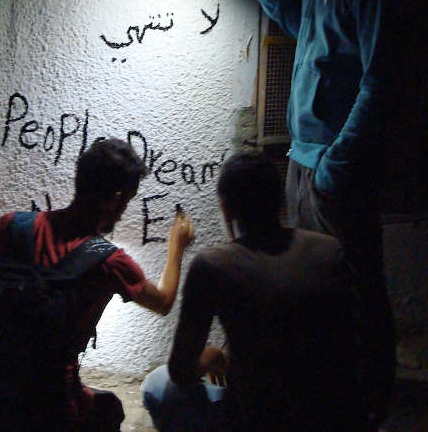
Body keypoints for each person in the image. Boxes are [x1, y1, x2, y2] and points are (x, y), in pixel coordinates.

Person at [219, 0, 406, 286]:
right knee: (313, 286)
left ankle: (370, 356)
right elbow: (311, 34)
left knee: (354, 290)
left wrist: (335, 167)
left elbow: (382, 78)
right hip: (304, 157)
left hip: (337, 162)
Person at [141, 152, 394, 431]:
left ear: (226, 208)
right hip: (335, 413)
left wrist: (213, 357)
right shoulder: (329, 250)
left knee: (157, 384)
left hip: (262, 418)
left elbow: (181, 370)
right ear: (281, 200)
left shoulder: (213, 265)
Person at [0, 138, 196, 431]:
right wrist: (176, 248)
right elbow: (163, 301)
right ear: (114, 198)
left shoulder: (9, 226)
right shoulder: (108, 263)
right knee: (110, 411)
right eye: (127, 201)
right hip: (52, 405)